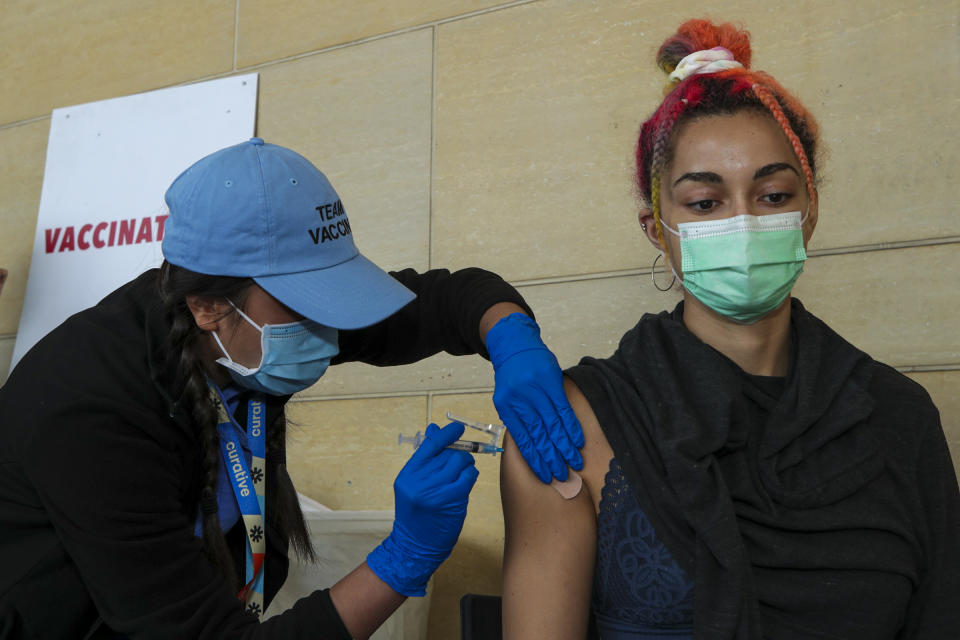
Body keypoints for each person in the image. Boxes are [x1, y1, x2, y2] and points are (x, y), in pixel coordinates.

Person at [0, 138, 583, 639]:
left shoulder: (245, 330)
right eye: (308, 304)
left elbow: (447, 300)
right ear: (207, 307)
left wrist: (514, 343)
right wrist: (401, 560)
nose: (329, 332)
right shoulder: (89, 412)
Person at [501, 19, 960, 640]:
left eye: (772, 196)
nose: (743, 223)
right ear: (657, 229)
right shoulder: (572, 426)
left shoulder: (899, 417)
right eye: (705, 203)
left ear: (810, 211)